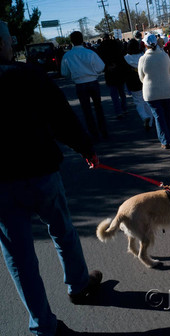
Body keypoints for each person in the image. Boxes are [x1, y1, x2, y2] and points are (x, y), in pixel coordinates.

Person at [0, 21, 102, 335]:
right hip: (40, 171)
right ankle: (78, 284)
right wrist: (85, 148)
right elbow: (61, 117)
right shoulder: (28, 74)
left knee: (19, 257)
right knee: (62, 230)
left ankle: (43, 326)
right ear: (4, 43)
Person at [60, 31, 108, 141]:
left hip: (80, 84)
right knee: (98, 107)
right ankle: (103, 129)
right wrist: (94, 72)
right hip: (92, 81)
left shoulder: (67, 55)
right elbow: (101, 66)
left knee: (86, 110)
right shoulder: (90, 53)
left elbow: (64, 73)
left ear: (71, 41)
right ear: (82, 40)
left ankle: (93, 132)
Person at [138, 34, 170, 149]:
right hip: (167, 90)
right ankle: (169, 134)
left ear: (145, 44)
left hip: (151, 92)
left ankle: (165, 140)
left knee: (158, 116)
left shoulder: (143, 59)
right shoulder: (164, 56)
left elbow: (141, 76)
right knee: (167, 113)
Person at [124, 38, 154, 131]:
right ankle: (151, 121)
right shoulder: (142, 55)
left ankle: (144, 117)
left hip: (134, 83)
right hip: (145, 81)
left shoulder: (126, 58)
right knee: (147, 101)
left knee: (138, 102)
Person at [97, 33, 128, 119]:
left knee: (114, 94)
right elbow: (123, 54)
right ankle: (125, 108)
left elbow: (100, 60)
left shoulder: (100, 47)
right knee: (122, 92)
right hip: (119, 71)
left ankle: (118, 112)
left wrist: (107, 66)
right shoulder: (117, 44)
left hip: (109, 72)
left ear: (102, 38)